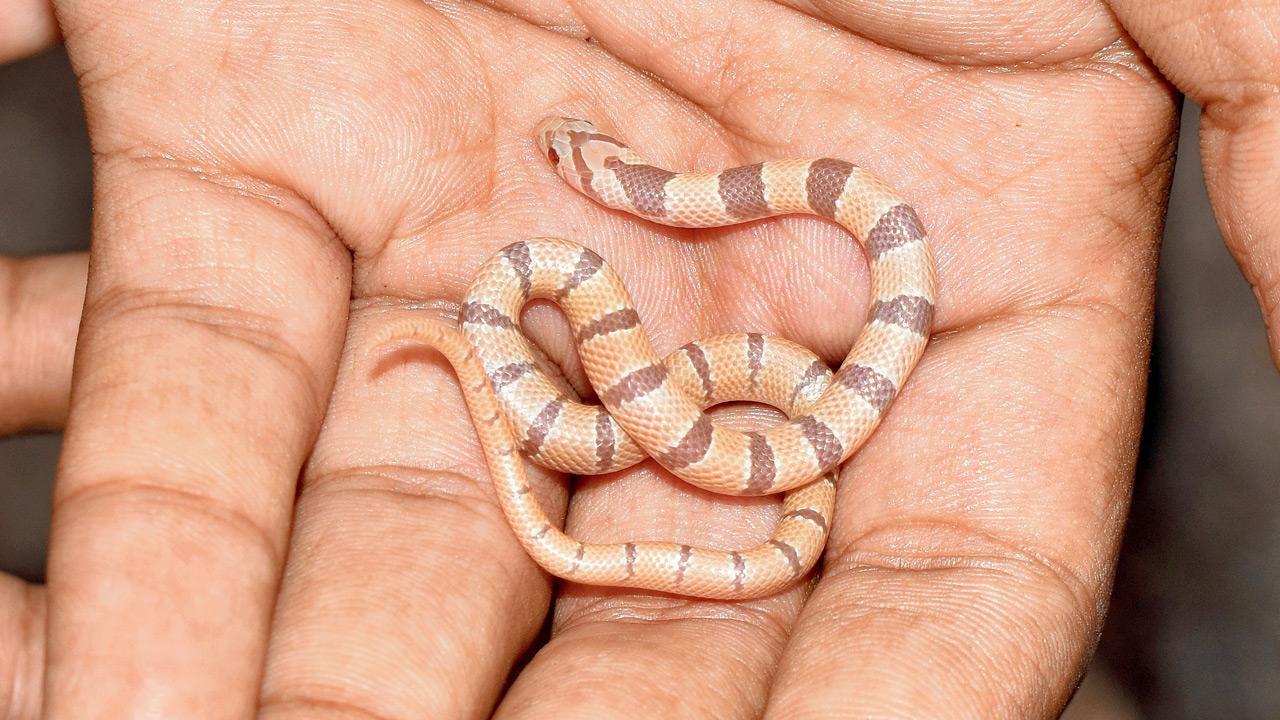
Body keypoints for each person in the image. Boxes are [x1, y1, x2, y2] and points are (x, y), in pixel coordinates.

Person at [0, 1, 1276, 717]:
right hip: (727, 394)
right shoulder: (602, 268)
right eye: (571, 163)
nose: (566, 167)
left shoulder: (681, 242)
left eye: (579, 165)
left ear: (639, 195)